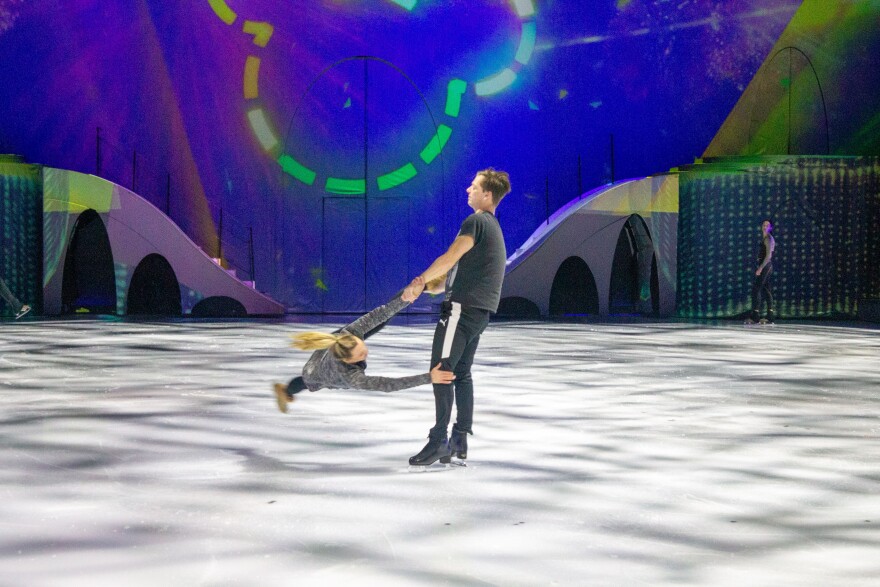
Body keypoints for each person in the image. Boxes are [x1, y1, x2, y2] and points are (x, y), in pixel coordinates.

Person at [402, 168, 511, 466]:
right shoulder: (492, 227)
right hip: (479, 313)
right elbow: (452, 275)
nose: (468, 189)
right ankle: (459, 440)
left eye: (474, 186)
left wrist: (421, 280)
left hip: (461, 312)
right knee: (461, 373)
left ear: (487, 194)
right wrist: (424, 286)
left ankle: (438, 441)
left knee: (441, 370)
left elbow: (449, 258)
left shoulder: (475, 221)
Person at [272, 279, 451, 413]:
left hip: (335, 342)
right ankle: (285, 391)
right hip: (316, 372)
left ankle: (415, 290)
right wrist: (429, 377)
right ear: (349, 361)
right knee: (307, 380)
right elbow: (387, 384)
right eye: (361, 355)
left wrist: (408, 296)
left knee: (380, 321)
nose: (366, 351)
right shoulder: (348, 376)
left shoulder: (350, 333)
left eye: (362, 347)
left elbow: (381, 313)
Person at [746, 219, 775, 324]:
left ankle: (755, 315)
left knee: (756, 289)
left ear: (770, 227)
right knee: (766, 290)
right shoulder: (765, 238)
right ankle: (770, 316)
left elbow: (768, 256)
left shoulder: (768, 238)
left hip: (766, 266)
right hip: (765, 266)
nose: (765, 226)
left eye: (767, 225)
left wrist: (761, 267)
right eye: (763, 224)